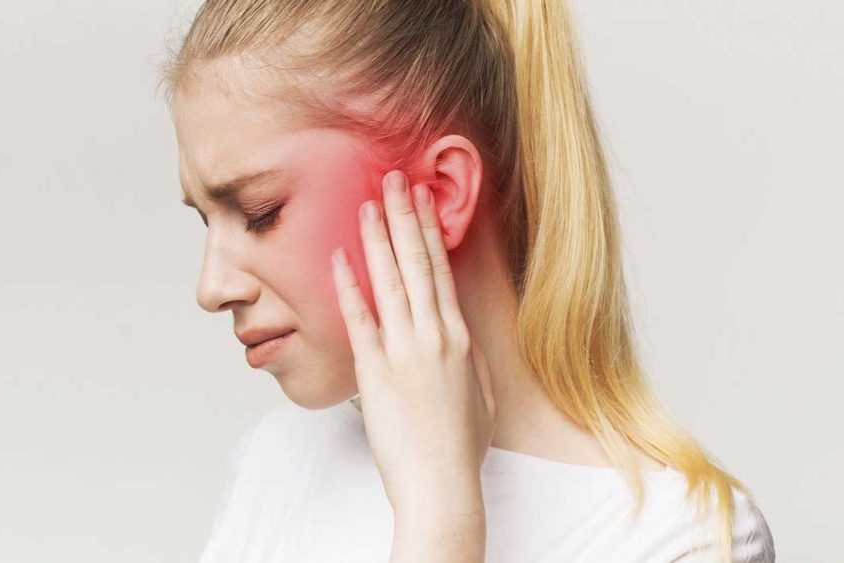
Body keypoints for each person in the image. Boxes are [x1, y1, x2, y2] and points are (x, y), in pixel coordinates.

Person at [160, 0, 776, 561]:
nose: (211, 288)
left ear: (441, 193)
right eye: (207, 221)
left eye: (260, 213)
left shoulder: (683, 539)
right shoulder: (276, 461)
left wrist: (440, 515)